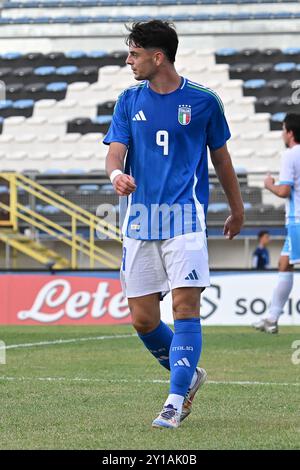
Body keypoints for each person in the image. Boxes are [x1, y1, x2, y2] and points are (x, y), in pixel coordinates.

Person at [104, 20, 244, 429]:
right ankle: (190, 375)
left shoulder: (203, 101)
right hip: (140, 221)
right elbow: (115, 152)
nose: (129, 60)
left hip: (185, 219)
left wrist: (236, 209)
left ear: (157, 56)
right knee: (143, 320)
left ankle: (175, 399)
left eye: (134, 53)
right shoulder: (129, 100)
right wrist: (116, 176)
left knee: (185, 309)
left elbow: (221, 159)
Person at [253, 113, 300, 334]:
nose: (282, 133)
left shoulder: (290, 155)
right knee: (285, 264)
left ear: (290, 133)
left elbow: (284, 190)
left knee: (287, 263)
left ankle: (272, 318)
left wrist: (269, 185)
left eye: (283, 129)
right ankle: (272, 317)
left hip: (297, 220)